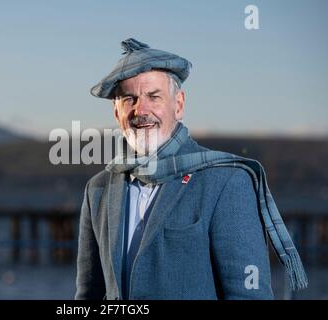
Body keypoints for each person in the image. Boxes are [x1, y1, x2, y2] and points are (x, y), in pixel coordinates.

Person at [75, 38, 307, 300]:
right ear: (116, 113)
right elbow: (87, 296)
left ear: (179, 104)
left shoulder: (227, 181)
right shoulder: (98, 189)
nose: (141, 110)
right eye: (129, 99)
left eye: (154, 96)